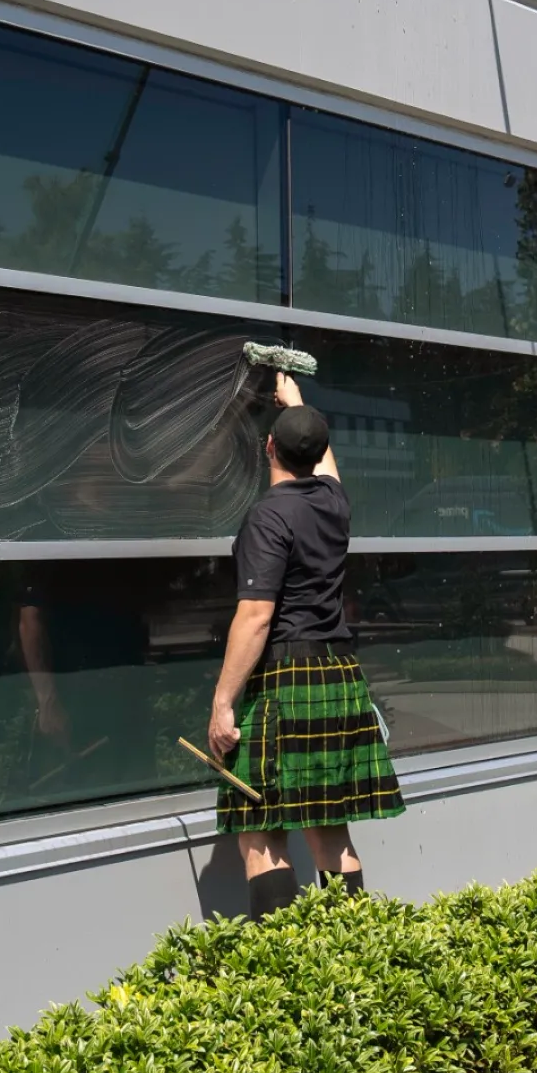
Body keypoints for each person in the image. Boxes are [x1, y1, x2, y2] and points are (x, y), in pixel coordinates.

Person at [208, 371, 403, 917]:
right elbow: (325, 463)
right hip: (337, 676)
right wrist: (298, 403)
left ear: (268, 447)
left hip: (286, 681)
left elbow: (254, 616)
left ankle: (285, 972)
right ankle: (352, 954)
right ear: (317, 455)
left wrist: (224, 703)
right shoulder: (334, 504)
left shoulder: (267, 518)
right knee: (328, 828)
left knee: (261, 832)